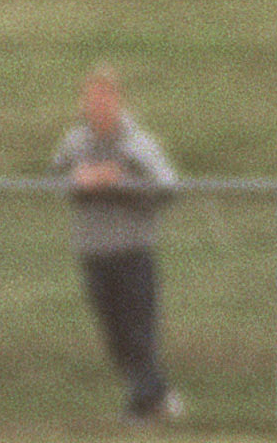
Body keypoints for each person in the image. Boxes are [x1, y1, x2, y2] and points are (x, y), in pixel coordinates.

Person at [49, 66, 184, 424]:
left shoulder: (137, 142)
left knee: (138, 326)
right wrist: (79, 181)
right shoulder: (74, 143)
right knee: (113, 332)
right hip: (94, 251)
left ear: (119, 100)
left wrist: (119, 182)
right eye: (92, 99)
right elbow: (53, 180)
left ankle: (140, 405)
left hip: (132, 250)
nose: (99, 106)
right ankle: (157, 394)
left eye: (106, 98)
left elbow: (167, 186)